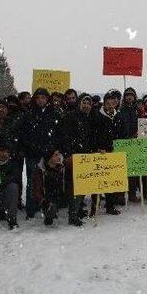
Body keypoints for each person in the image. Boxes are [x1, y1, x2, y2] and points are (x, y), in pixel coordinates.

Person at [18, 88, 62, 219]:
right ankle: (31, 210)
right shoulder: (28, 114)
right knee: (32, 182)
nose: (40, 100)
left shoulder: (54, 113)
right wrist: (31, 148)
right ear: (34, 99)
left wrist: (54, 150)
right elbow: (23, 135)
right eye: (38, 97)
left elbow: (58, 134)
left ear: (47, 99)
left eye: (43, 97)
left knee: (51, 182)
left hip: (50, 155)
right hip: (33, 154)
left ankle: (50, 207)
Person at [59, 93, 95, 226]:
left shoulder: (89, 118)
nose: (86, 106)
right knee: (73, 187)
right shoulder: (70, 117)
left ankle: (78, 209)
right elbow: (64, 137)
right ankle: (73, 215)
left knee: (82, 185)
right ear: (79, 103)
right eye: (84, 103)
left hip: (84, 157)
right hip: (73, 157)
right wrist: (68, 154)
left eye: (88, 103)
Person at [92, 89, 125, 213]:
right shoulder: (96, 115)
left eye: (113, 103)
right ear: (104, 103)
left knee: (111, 181)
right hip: (100, 152)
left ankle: (110, 206)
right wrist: (97, 147)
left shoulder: (118, 116)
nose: (111, 106)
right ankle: (94, 207)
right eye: (108, 103)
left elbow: (122, 134)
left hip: (114, 153)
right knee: (98, 181)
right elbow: (92, 134)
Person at [32, 150, 65, 226]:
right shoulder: (40, 172)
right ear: (49, 158)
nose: (59, 157)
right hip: (47, 198)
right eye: (55, 155)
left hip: (60, 196)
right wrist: (43, 202)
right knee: (51, 205)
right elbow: (37, 190)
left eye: (59, 154)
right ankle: (49, 213)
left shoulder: (62, 167)